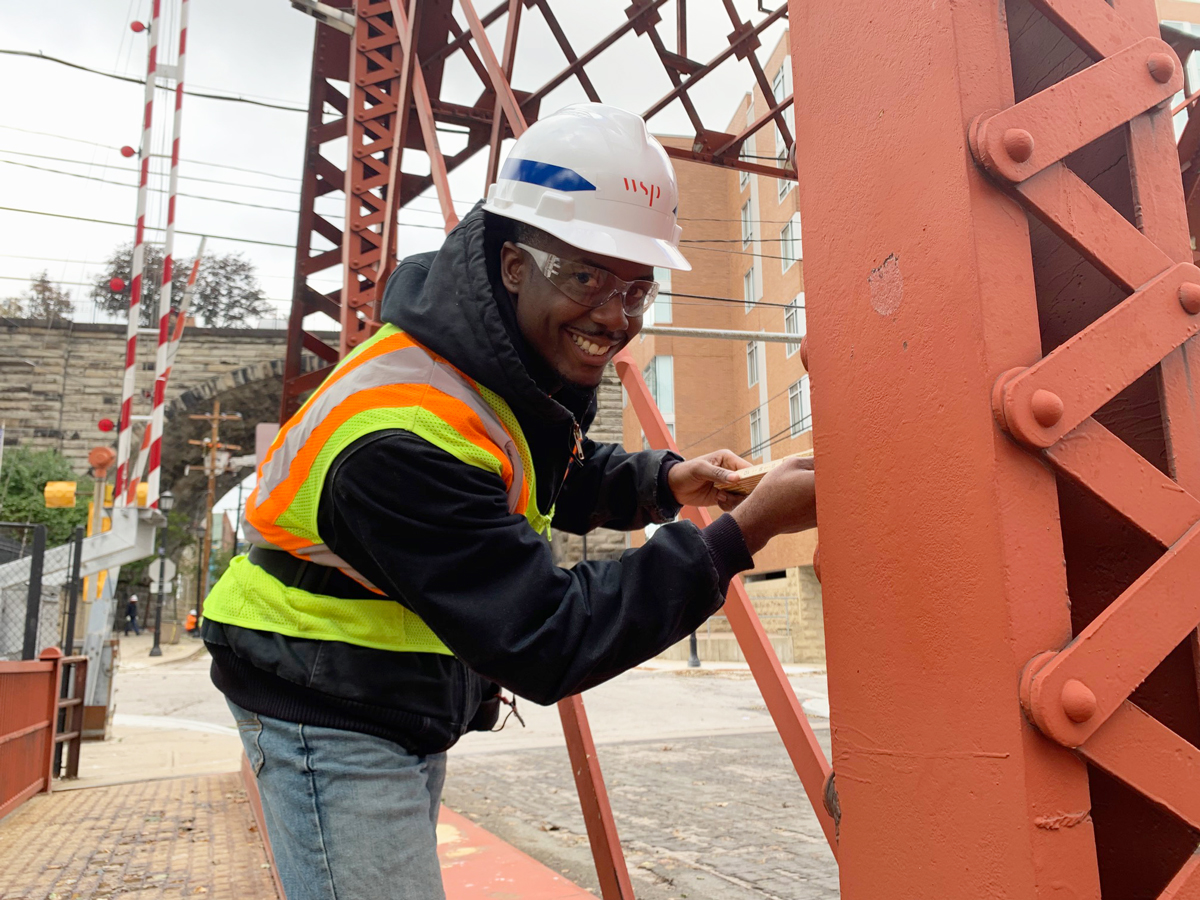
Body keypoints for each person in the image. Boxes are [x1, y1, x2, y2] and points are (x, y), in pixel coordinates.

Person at [200, 103, 817, 900]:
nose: (612, 316)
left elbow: (533, 472)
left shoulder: (480, 367)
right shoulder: (403, 438)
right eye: (584, 276)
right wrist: (743, 532)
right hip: (327, 703)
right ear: (513, 262)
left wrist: (665, 481)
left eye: (636, 289)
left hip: (386, 690)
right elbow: (547, 635)